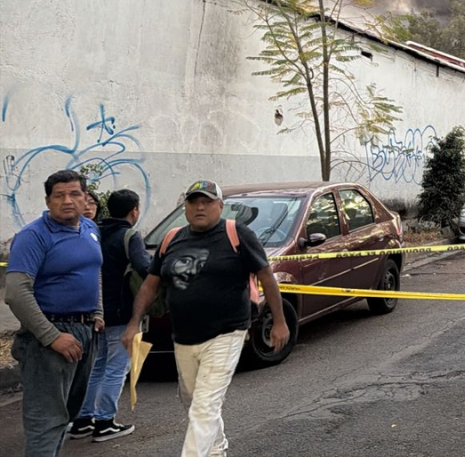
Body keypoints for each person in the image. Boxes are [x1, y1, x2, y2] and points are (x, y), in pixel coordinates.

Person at [122, 180, 289, 457]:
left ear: (220, 206)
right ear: (185, 206)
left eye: (208, 201)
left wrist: (280, 321)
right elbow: (151, 284)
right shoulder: (172, 238)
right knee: (191, 400)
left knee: (204, 404)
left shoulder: (237, 234)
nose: (200, 206)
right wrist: (134, 322)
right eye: (193, 201)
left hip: (227, 332)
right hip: (184, 335)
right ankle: (217, 448)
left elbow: (267, 278)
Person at [4, 170, 103, 457]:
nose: (67, 200)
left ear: (86, 198)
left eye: (74, 194)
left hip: (86, 333)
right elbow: (16, 292)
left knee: (65, 417)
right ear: (48, 201)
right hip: (48, 338)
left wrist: (98, 312)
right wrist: (52, 337)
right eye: (59, 195)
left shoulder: (90, 229)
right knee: (46, 422)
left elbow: (93, 271)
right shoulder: (34, 236)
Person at [70, 189, 150, 443]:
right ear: (134, 210)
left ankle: (83, 419)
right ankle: (104, 422)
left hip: (96, 311)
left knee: (97, 366)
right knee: (116, 368)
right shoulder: (129, 235)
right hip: (121, 311)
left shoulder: (94, 232)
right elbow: (145, 268)